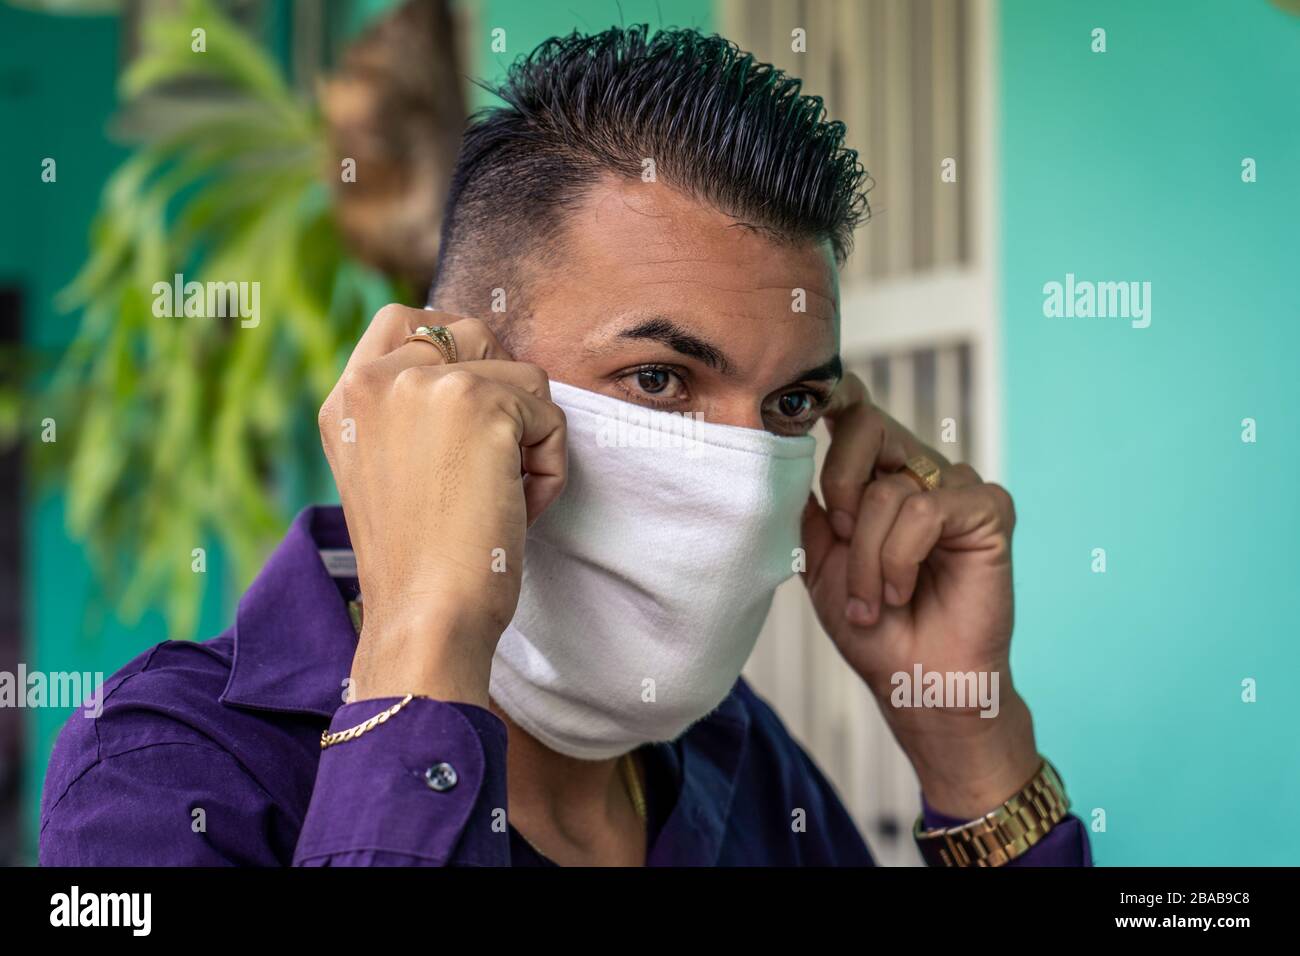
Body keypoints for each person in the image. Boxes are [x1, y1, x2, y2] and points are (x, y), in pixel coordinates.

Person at [40, 25, 1090, 867]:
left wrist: (970, 743)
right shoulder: (164, 767)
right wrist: (424, 646)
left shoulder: (736, 756)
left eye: (788, 405)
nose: (740, 493)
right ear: (450, 380)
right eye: (658, 378)